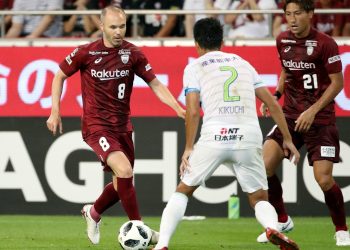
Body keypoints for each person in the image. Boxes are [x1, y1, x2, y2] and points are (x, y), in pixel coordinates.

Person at [153, 17, 300, 250]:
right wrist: (288, 139)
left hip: (215, 135)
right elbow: (272, 103)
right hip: (248, 136)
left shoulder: (194, 67)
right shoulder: (243, 63)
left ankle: (162, 244)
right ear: (222, 40)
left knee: (183, 191)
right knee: (260, 198)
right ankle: (272, 227)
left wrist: (189, 148)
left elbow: (193, 111)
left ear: (197, 43)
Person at [46, 5, 185, 245]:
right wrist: (54, 111)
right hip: (96, 126)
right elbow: (59, 75)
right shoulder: (86, 53)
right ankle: (141, 230)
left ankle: (93, 212)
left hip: (123, 127)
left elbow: (155, 84)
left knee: (122, 182)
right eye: (113, 27)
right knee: (124, 171)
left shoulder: (133, 54)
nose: (119, 31)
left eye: (122, 26)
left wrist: (177, 107)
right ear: (101, 26)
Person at [258, 0, 350, 246]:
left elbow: (337, 84)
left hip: (319, 120)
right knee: (264, 165)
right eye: (288, 13)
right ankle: (282, 219)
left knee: (324, 179)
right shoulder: (282, 40)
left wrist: (312, 110)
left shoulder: (326, 44)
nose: (292, 18)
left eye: (298, 13)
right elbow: (286, 71)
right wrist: (276, 95)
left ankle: (341, 228)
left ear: (310, 14)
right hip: (289, 116)